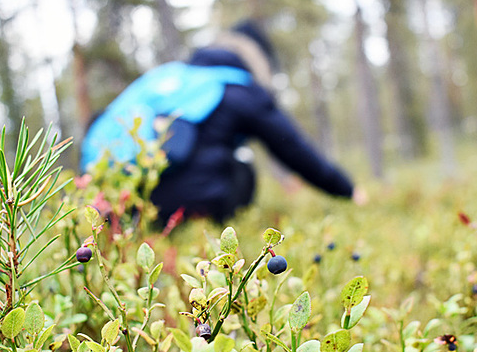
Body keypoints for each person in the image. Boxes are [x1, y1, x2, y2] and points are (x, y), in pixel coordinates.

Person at [80, 20, 361, 225]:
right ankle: (213, 231)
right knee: (242, 161)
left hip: (121, 203)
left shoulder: (173, 78)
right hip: (183, 206)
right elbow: (294, 149)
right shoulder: (240, 88)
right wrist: (347, 190)